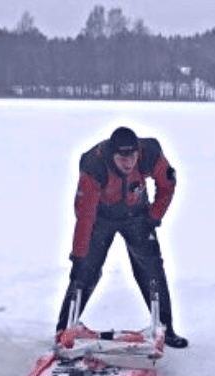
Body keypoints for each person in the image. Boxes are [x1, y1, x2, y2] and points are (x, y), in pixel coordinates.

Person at [56, 126, 187, 348]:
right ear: (111, 154)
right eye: (122, 157)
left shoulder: (150, 154)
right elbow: (85, 216)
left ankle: (166, 329)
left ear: (139, 152)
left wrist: (154, 216)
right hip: (100, 216)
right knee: (85, 272)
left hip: (137, 215)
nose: (128, 163)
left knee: (152, 269)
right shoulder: (94, 166)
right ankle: (63, 330)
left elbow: (168, 184)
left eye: (132, 156)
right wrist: (78, 256)